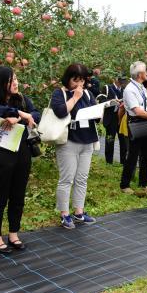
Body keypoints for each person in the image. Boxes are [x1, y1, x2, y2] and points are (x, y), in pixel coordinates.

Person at [0, 66, 41, 253]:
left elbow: (37, 114)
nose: (15, 83)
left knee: (18, 195)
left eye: (16, 78)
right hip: (1, 153)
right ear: (1, 83)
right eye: (11, 80)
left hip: (22, 151)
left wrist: (20, 116)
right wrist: (21, 114)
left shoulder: (23, 99)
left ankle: (14, 233)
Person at [51, 63, 100, 229]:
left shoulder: (88, 93)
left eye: (82, 80)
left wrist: (104, 109)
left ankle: (79, 211)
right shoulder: (60, 93)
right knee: (67, 179)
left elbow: (95, 115)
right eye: (75, 80)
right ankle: (64, 214)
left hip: (87, 140)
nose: (79, 84)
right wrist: (75, 97)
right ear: (68, 79)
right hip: (69, 141)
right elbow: (60, 112)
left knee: (82, 178)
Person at [120, 61, 147, 195]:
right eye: (145, 72)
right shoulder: (130, 89)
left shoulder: (141, 87)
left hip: (146, 122)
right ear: (140, 74)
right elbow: (138, 111)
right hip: (135, 123)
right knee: (133, 155)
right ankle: (125, 185)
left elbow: (145, 106)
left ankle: (144, 183)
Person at [102, 76, 128, 165]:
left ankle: (123, 161)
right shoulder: (107, 88)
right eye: (120, 80)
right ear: (115, 79)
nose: (122, 82)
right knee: (110, 140)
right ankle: (109, 162)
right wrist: (111, 101)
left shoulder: (124, 91)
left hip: (121, 117)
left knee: (123, 140)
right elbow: (101, 101)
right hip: (111, 118)